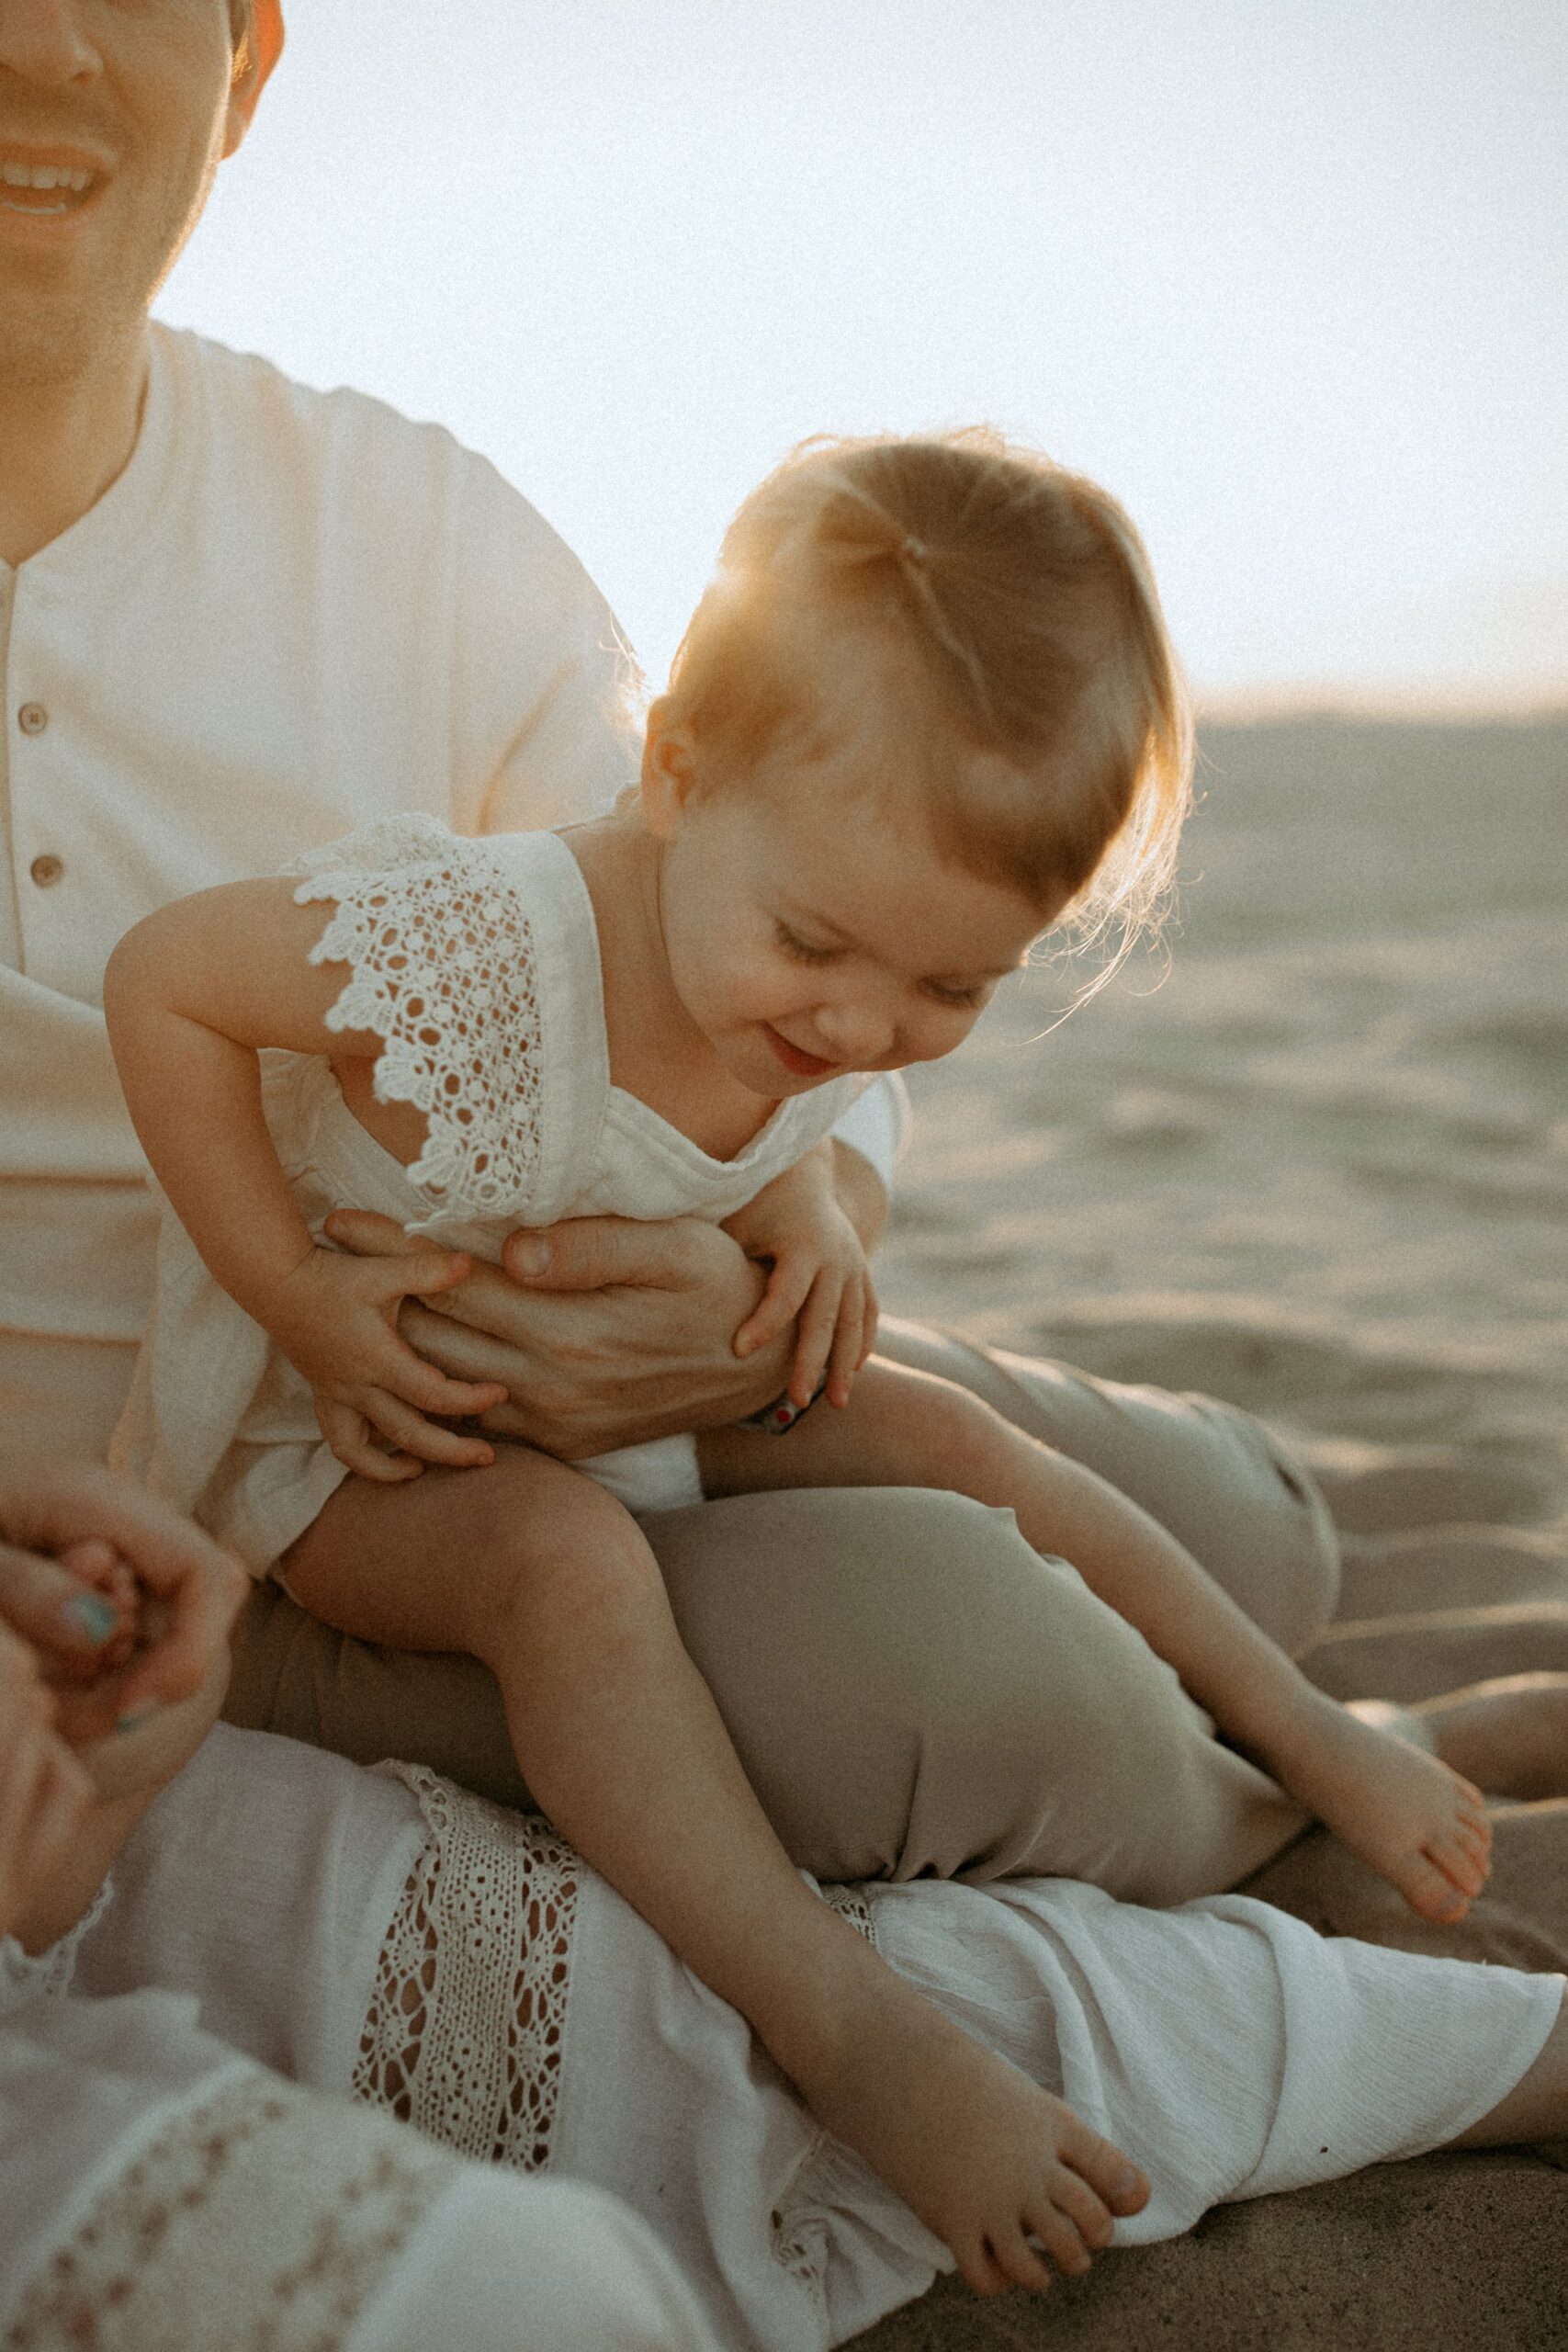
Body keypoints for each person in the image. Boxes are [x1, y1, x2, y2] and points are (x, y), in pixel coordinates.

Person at [2, 0, 1560, 1984]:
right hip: (275, 1493)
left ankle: (1300, 1716)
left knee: (1253, 1515)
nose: (46, 45)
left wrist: (761, 1279)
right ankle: (1321, 1778)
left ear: (247, 63)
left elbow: (775, 939)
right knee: (978, 1683)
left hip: (662, 1353)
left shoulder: (404, 517)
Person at [101, 426, 1507, 2260]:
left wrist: (813, 1215)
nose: (862, 1025)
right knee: (566, 1565)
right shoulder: (480, 941)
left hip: (603, 1403)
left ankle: (1317, 1734)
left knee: (961, 1440)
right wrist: (293, 1288)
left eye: (952, 987)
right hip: (352, 1442)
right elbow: (166, 984)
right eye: (820, 948)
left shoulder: (791, 976)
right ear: (673, 767)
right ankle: (851, 2027)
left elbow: (766, 1135)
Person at [5, 1451, 1568, 2350]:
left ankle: (1325, 1745)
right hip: (317, 1594)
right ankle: (1343, 1805)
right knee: (922, 2014)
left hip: (285, 1669)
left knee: (1254, 1528)